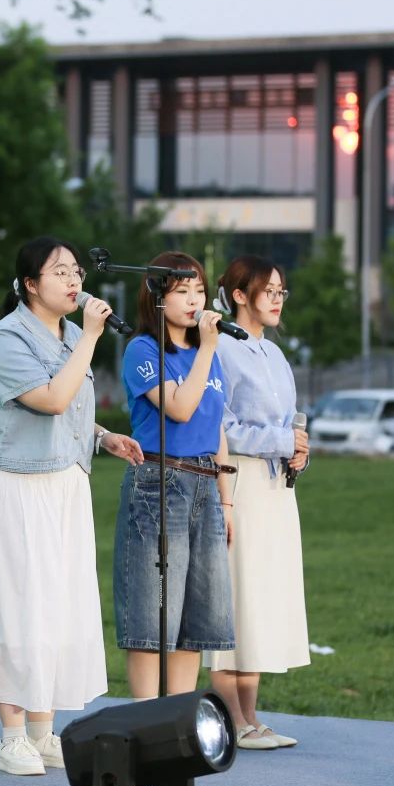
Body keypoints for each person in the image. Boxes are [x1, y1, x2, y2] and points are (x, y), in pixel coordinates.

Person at [0, 237, 144, 776]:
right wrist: (90, 336)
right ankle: (11, 737)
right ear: (29, 284)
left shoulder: (69, 335)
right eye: (59, 271)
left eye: (76, 271)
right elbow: (49, 400)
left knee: (56, 607)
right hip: (13, 484)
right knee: (16, 606)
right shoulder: (5, 338)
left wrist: (103, 436)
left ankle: (43, 733)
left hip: (64, 483)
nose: (73, 280)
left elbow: (70, 410)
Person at [114, 251, 237, 699]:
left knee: (198, 618)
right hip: (160, 481)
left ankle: (180, 717)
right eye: (182, 291)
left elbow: (215, 427)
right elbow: (181, 409)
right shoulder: (144, 350)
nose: (194, 300)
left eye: (199, 291)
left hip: (205, 482)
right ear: (157, 297)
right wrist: (207, 348)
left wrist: (226, 501)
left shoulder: (208, 355)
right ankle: (147, 718)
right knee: (152, 614)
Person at [204, 256, 310, 750]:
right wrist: (283, 441)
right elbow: (221, 426)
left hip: (276, 491)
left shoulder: (275, 354)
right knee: (238, 597)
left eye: (281, 291)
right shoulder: (221, 349)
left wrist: (299, 450)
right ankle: (231, 719)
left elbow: (290, 423)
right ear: (239, 295)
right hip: (240, 483)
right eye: (269, 290)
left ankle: (251, 715)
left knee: (262, 601)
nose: (277, 299)